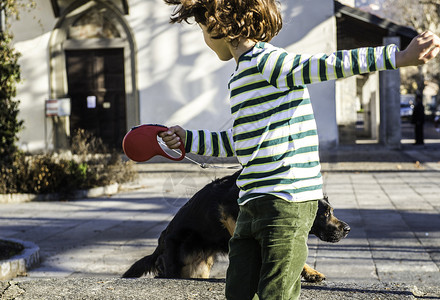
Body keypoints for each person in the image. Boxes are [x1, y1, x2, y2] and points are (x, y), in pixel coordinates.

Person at [158, 1, 440, 299]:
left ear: (218, 25)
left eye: (202, 29)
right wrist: (189, 139)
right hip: (252, 203)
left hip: (286, 201)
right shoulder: (240, 77)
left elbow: (325, 64)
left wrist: (398, 57)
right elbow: (240, 142)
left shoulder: (267, 61)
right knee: (239, 289)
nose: (204, 38)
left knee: (276, 291)